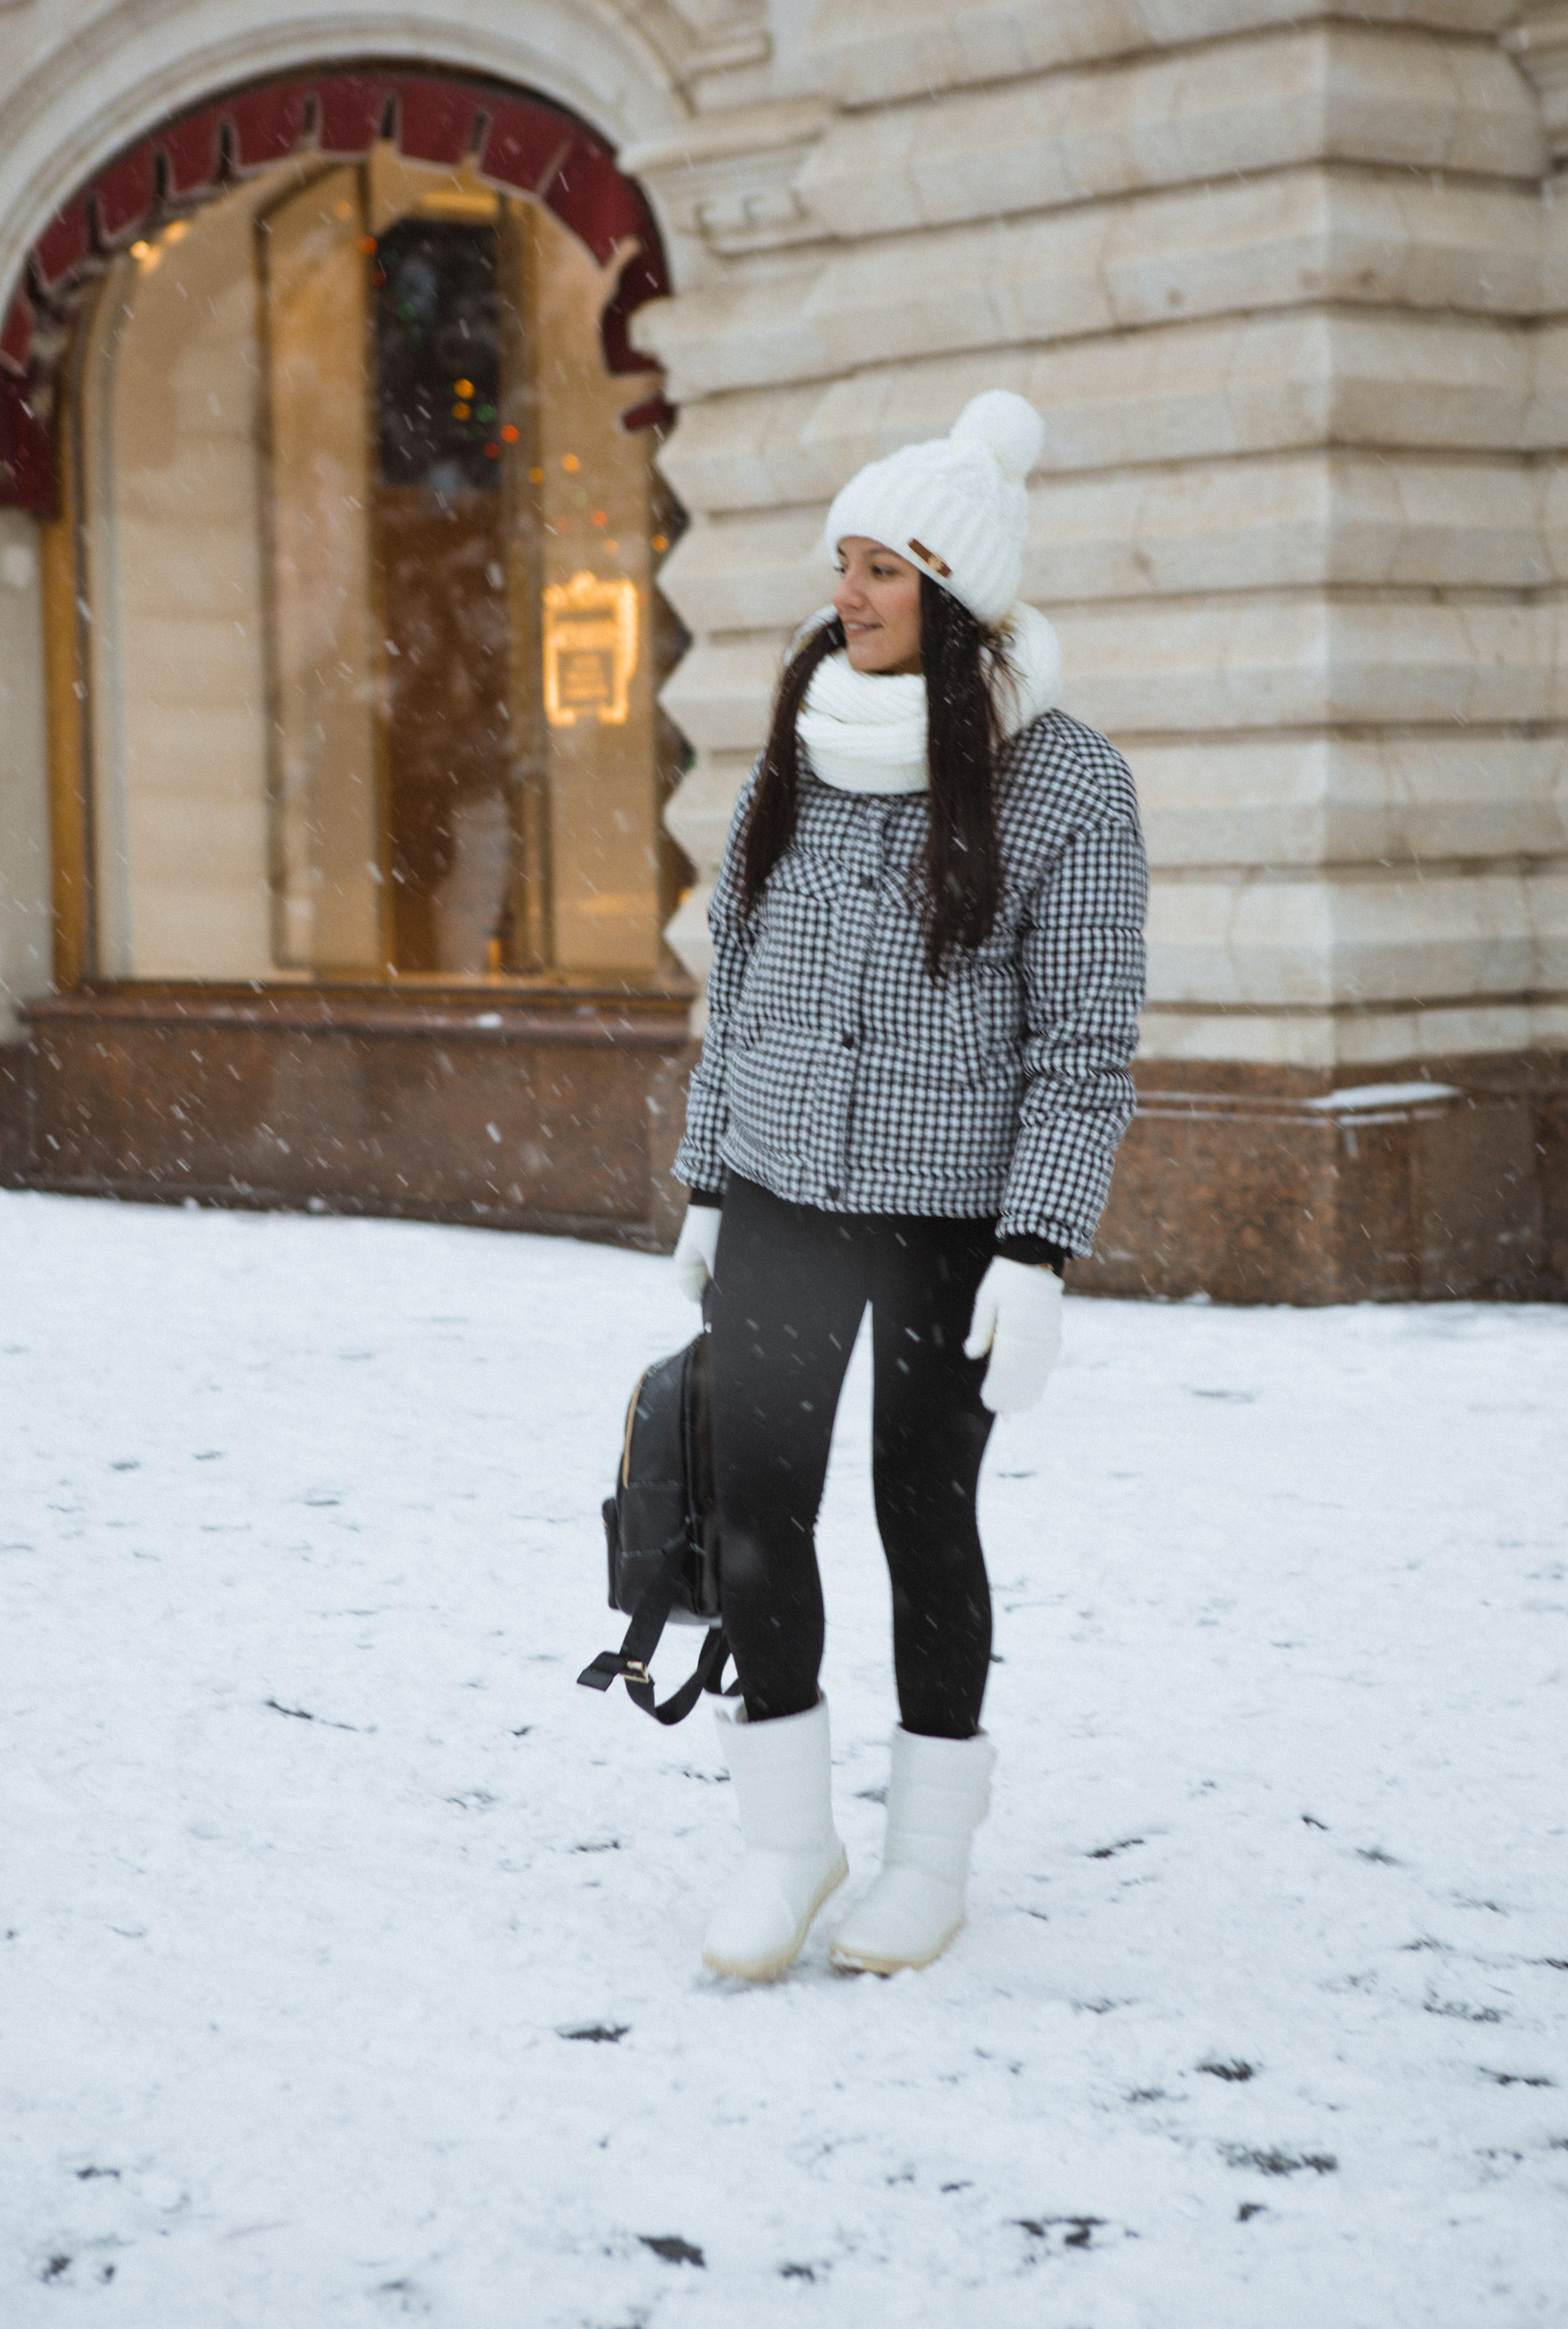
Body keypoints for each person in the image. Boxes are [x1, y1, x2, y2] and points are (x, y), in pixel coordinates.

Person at [670, 392, 1147, 1982]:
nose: (845, 596)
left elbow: (1083, 1038)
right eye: (841, 563)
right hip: (784, 1194)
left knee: (918, 1514)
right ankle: (785, 1839)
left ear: (952, 592)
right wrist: (707, 1186)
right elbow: (731, 984)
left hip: (954, 1221)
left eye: (879, 570)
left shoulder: (1064, 781)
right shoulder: (796, 753)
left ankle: (926, 1859)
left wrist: (1039, 1246)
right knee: (753, 1515)